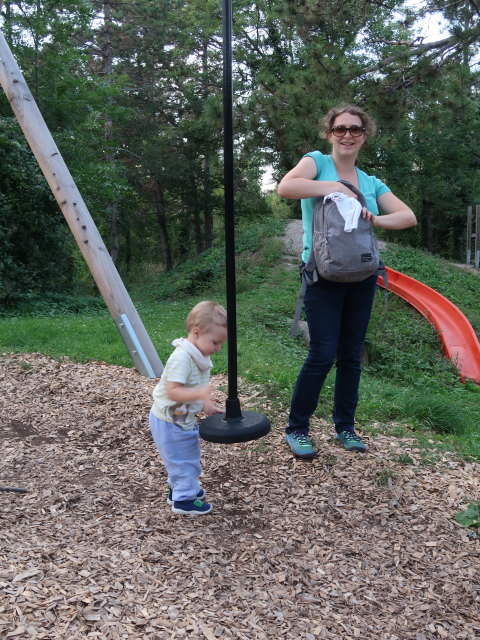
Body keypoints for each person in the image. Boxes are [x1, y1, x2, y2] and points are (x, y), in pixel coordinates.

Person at [277, 104, 417, 458]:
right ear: (330, 133)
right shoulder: (317, 162)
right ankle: (297, 428)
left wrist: (375, 217)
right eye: (340, 129)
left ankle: (345, 427)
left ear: (364, 136)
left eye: (355, 129)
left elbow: (407, 216)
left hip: (363, 275)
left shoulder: (371, 181)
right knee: (322, 354)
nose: (347, 135)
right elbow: (286, 187)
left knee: (351, 356)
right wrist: (334, 187)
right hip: (321, 273)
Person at [149, 300, 228, 515]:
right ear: (196, 332)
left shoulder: (200, 355)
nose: (218, 348)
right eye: (215, 342)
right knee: (183, 460)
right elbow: (173, 391)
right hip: (169, 420)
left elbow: (198, 386)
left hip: (180, 417)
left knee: (184, 455)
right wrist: (199, 394)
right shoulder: (182, 358)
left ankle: (179, 490)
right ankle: (183, 500)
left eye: (221, 343)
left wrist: (207, 406)